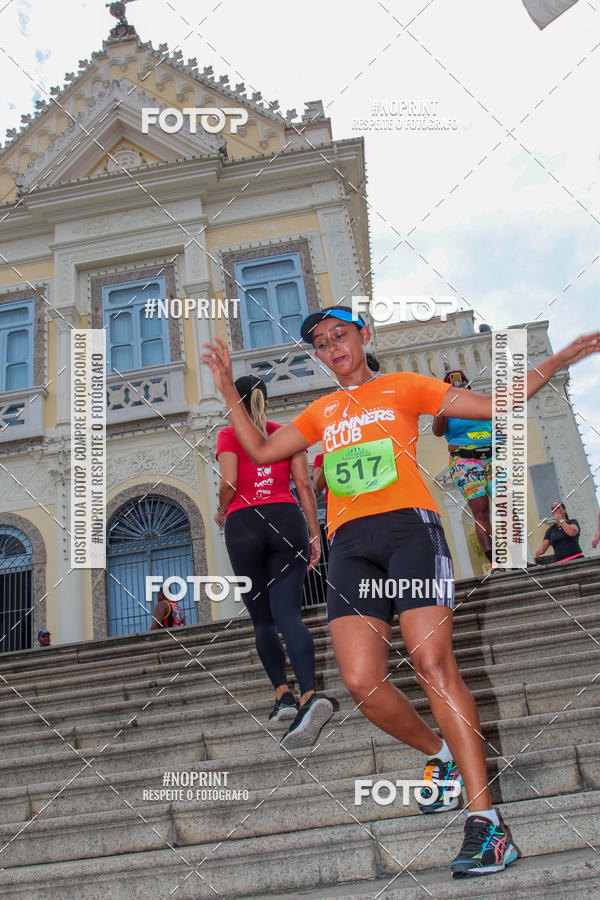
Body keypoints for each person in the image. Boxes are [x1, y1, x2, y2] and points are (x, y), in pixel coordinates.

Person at [201, 307, 599, 879]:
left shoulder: (402, 387)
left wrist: (557, 360)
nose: (331, 346)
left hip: (409, 531)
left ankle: (487, 826)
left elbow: (493, 405)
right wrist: (226, 392)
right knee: (362, 682)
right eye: (320, 342)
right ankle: (442, 757)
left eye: (340, 335)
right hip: (350, 546)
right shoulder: (321, 412)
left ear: (363, 337)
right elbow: (262, 453)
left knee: (433, 664)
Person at [216, 375, 334, 750]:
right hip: (286, 520)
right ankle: (309, 695)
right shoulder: (287, 432)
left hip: (245, 525)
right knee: (290, 615)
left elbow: (230, 483)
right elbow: (304, 487)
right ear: (265, 399)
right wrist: (314, 533)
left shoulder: (229, 434)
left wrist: (222, 509)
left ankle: (283, 695)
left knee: (262, 619)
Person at [432, 371, 495, 571]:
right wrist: (443, 404)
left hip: (493, 456)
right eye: (451, 384)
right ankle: (495, 561)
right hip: (465, 460)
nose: (458, 385)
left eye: (461, 382)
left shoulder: (479, 401)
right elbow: (438, 431)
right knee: (481, 510)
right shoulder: (446, 408)